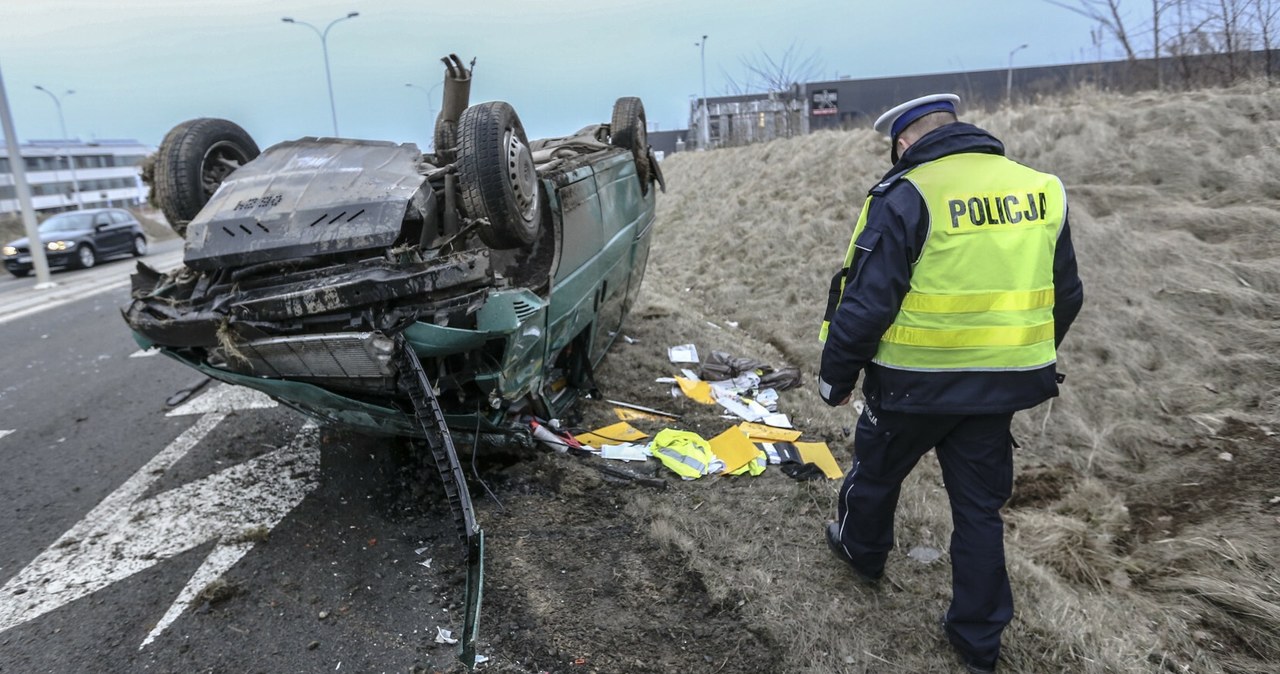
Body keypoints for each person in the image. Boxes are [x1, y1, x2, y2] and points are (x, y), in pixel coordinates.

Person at [817, 93, 1084, 673]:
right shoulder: (1041, 189)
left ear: (904, 142)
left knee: (877, 473)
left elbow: (864, 303)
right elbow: (1067, 295)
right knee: (979, 512)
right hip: (999, 390)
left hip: (912, 386)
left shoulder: (907, 193)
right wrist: (1017, 356)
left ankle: (861, 554)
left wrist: (835, 377)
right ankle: (977, 639)